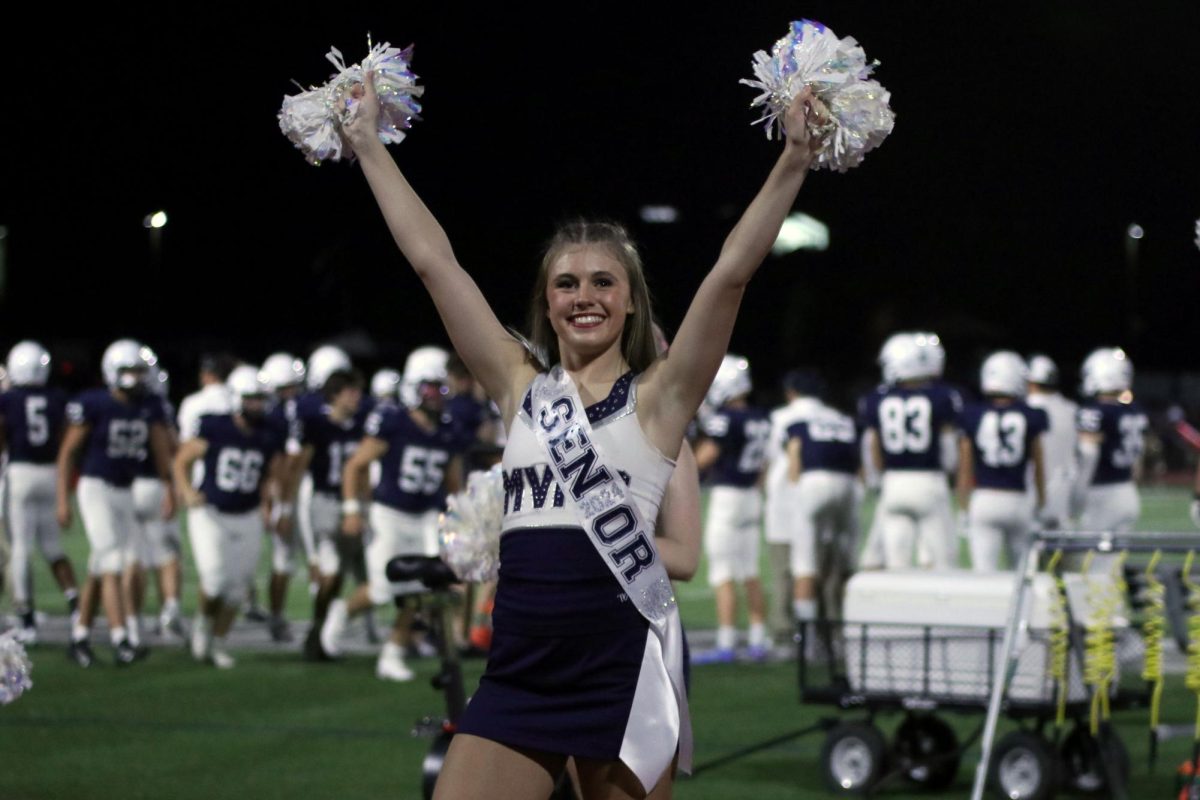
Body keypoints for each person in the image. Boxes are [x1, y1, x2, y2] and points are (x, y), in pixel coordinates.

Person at [336, 70, 822, 799]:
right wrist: (369, 145)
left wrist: (793, 159)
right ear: (546, 302)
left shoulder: (661, 402)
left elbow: (730, 275)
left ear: (630, 303)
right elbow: (435, 264)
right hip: (519, 673)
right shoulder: (517, 387)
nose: (584, 297)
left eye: (603, 282)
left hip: (619, 671)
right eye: (567, 284)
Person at [327, 346, 463, 680]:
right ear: (414, 388)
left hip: (428, 516)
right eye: (431, 388)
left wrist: (460, 519)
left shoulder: (448, 427)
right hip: (390, 513)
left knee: (424, 588)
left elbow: (454, 482)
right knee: (384, 589)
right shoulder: (393, 421)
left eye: (442, 388)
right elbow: (355, 465)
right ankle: (342, 610)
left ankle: (392, 653)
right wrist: (351, 509)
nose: (437, 395)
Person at [57, 339, 174, 667]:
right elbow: (67, 453)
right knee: (113, 562)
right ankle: (122, 639)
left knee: (100, 565)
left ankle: (79, 636)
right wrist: (62, 499)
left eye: (139, 371)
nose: (135, 378)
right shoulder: (95, 403)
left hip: (126, 489)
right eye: (128, 371)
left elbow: (161, 448)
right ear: (112, 371)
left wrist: (169, 487)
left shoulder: (148, 405)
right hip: (96, 487)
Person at [174, 366, 288, 668]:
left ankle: (219, 641)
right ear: (236, 399)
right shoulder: (215, 426)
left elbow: (272, 472)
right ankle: (202, 624)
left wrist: (269, 504)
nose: (258, 405)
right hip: (211, 513)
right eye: (251, 399)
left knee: (237, 589)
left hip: (247, 514)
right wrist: (186, 491)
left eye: (261, 399)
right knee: (214, 580)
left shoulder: (269, 433)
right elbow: (182, 459)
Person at [858, 332, 961, 569]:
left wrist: (880, 477)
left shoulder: (877, 399)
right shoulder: (941, 397)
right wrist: (949, 474)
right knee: (942, 561)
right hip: (929, 480)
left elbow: (872, 446)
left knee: (897, 564)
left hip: (894, 482)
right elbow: (948, 446)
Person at [693, 354, 771, 663]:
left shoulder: (727, 418)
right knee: (750, 572)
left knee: (723, 572)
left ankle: (726, 643)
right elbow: (763, 464)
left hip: (727, 498)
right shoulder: (760, 417)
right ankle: (757, 639)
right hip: (751, 496)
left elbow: (706, 456)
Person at [0, 341, 79, 643]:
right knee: (52, 546)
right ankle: (74, 605)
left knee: (20, 547)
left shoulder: (9, 398)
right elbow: (65, 434)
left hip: (20, 472)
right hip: (50, 472)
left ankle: (26, 618)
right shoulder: (57, 397)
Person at [956, 352, 1048, 571]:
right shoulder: (1032, 414)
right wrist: (1041, 501)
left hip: (985, 498)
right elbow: (1038, 463)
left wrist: (963, 504)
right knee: (1022, 574)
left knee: (984, 572)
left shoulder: (973, 414)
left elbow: (965, 465)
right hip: (1018, 499)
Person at [783, 388, 859, 628]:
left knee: (805, 565)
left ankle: (807, 640)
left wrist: (794, 488)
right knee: (845, 565)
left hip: (813, 483)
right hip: (847, 484)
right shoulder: (847, 422)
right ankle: (847, 632)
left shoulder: (803, 422)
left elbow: (795, 452)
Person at [761, 369, 827, 640]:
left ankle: (784, 629)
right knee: (818, 566)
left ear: (791, 392)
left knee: (783, 569)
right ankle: (822, 630)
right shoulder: (830, 416)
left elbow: (769, 457)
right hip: (821, 496)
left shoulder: (779, 417)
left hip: (784, 495)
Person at [260, 351, 308, 641]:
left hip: (308, 490)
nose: (290, 395)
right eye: (283, 390)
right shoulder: (271, 419)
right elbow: (276, 465)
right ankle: (276, 617)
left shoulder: (303, 411)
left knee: (316, 559)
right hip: (287, 493)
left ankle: (319, 622)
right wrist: (276, 504)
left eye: (293, 388)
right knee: (283, 559)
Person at [1072, 347, 1147, 534]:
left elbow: (1088, 455)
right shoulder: (1134, 410)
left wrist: (1076, 498)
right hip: (1128, 491)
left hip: (1101, 493)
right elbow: (1139, 460)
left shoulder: (1095, 411)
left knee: (1090, 559)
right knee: (1113, 560)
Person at [1025, 354, 1078, 528]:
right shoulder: (1072, 409)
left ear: (1030, 382)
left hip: (1031, 488)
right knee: (1064, 551)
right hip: (1066, 489)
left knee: (1029, 551)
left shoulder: (1026, 408)